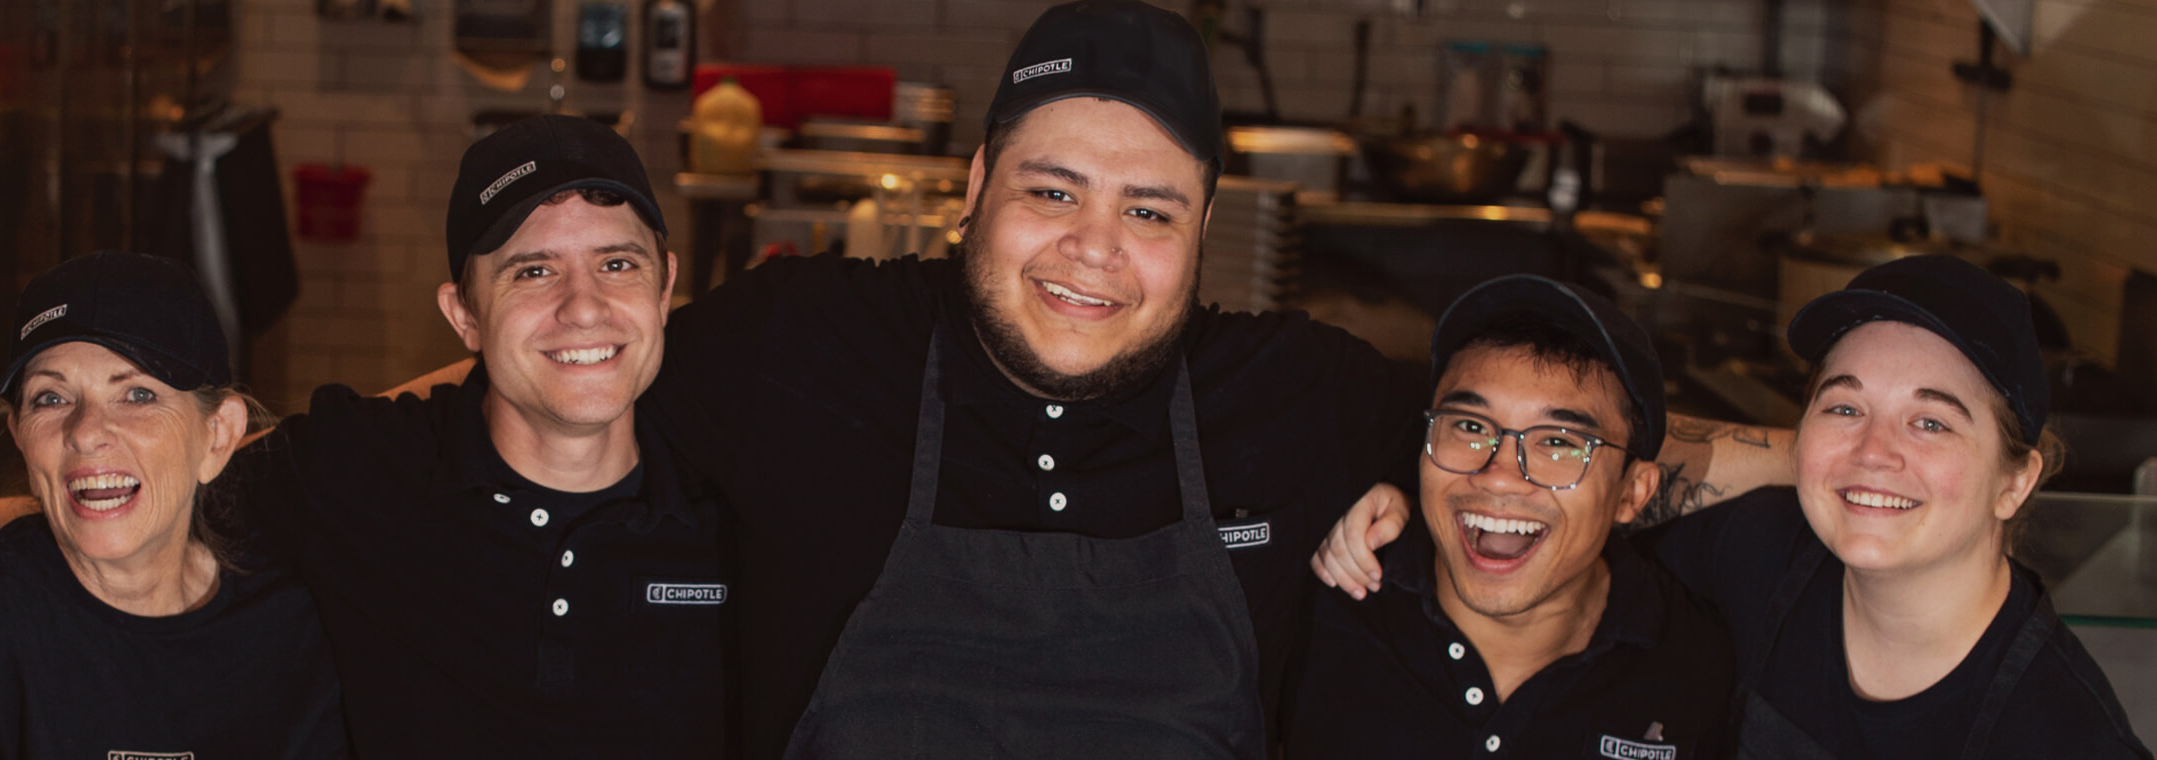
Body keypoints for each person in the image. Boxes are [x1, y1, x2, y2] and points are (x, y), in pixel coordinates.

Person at [638, 1, 1790, 755]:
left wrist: (1841, 455)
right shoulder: (795, 345)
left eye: (1148, 210)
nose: (1094, 249)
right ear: (974, 180)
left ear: (1201, 227)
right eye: (1052, 190)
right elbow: (548, 383)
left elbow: (1565, 444)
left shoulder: (1298, 397)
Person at [0, 114, 726, 757]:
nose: (583, 307)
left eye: (617, 263)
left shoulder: (742, 506)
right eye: (532, 272)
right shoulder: (356, 471)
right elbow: (139, 499)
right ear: (463, 316)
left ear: (665, 288)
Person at [1316, 255, 2151, 758]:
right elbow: (1590, 470)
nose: (1875, 451)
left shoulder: (2063, 736)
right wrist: (1418, 484)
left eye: (1932, 422)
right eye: (1845, 406)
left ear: (2017, 480)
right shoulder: (1756, 555)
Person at [0, 252, 347, 757]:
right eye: (51, 398)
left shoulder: (291, 629)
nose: (87, 433)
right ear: (20, 439)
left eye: (137, 394)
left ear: (218, 435)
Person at [1280, 276, 1738, 758]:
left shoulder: (1695, 664)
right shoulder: (1319, 608)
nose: (1499, 477)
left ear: (1632, 493)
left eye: (1559, 442)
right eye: (1471, 427)